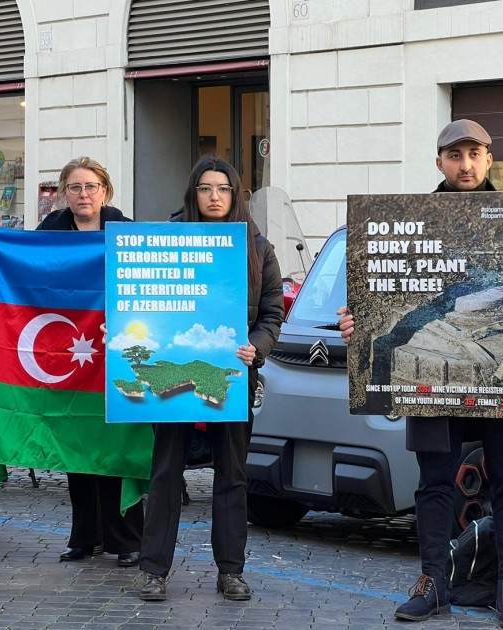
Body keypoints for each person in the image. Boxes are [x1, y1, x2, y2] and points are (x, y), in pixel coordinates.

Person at [337, 119, 503, 629]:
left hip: (500, 373)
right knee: (435, 482)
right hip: (438, 371)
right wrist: (358, 324)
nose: (465, 164)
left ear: (489, 160)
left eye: (474, 154)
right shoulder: (410, 222)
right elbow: (383, 294)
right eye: (455, 155)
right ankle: (433, 582)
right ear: (439, 162)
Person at [0, 156, 144, 566]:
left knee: (116, 446)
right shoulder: (50, 231)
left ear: (105, 191)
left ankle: (126, 539)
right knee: (75, 444)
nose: (83, 195)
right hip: (67, 353)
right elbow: (24, 269)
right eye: (74, 187)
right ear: (64, 192)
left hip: (113, 356)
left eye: (91, 187)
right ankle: (85, 536)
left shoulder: (126, 232)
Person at [138, 156, 284, 602]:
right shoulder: (166, 242)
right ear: (193, 193)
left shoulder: (258, 247)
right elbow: (145, 299)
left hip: (233, 375)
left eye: (223, 188)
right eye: (205, 188)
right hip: (174, 373)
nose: (214, 196)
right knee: (165, 472)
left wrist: (257, 346)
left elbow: (272, 312)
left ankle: (231, 571)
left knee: (232, 475)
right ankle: (153, 571)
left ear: (235, 194)